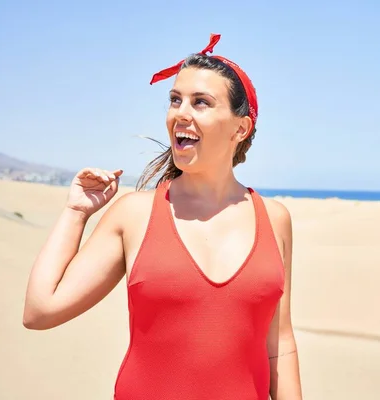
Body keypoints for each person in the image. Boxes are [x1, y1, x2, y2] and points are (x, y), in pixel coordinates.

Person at [23, 33, 303, 400]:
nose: (180, 113)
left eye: (200, 102)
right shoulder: (134, 215)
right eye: (175, 100)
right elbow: (40, 311)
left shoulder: (275, 219)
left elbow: (279, 344)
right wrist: (76, 213)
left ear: (241, 128)